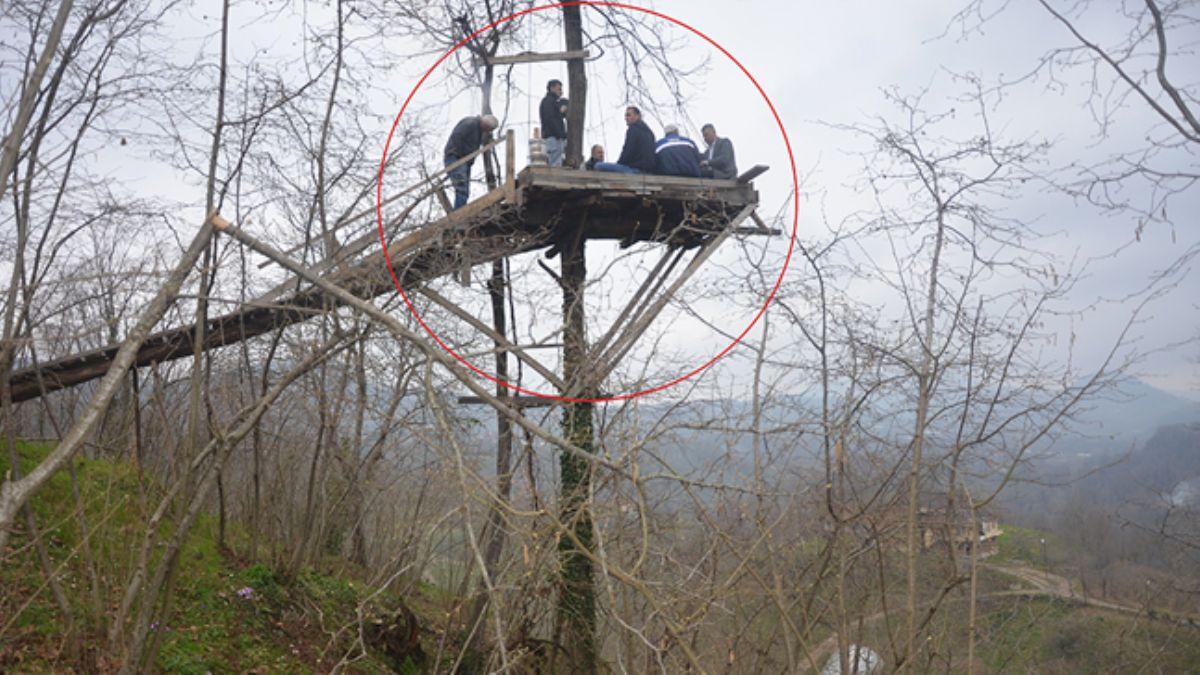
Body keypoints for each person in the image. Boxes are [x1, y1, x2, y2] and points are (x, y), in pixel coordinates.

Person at [444, 114, 499, 209]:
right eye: (488, 129)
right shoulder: (470, 123)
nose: (487, 132)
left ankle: (459, 212)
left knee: (464, 191)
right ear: (485, 124)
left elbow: (479, 141)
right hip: (456, 158)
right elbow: (457, 137)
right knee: (462, 189)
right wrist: (462, 156)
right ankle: (458, 216)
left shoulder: (479, 129)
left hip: (464, 161)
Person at [595, 106, 656, 174]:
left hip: (634, 170)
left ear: (637, 116)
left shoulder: (634, 129)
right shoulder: (650, 133)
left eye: (628, 115)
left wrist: (618, 164)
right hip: (649, 172)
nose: (626, 118)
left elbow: (628, 151)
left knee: (598, 165)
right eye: (625, 116)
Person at [539, 79, 568, 167]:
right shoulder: (548, 101)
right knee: (554, 163)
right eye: (559, 89)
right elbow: (550, 118)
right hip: (553, 138)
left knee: (556, 161)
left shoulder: (551, 102)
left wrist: (561, 112)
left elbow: (555, 116)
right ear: (552, 88)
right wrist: (561, 135)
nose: (561, 92)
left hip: (554, 137)